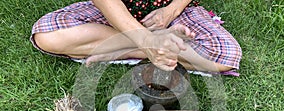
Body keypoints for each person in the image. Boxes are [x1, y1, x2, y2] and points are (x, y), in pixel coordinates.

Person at [30, 0, 242, 75]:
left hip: (171, 9)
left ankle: (117, 48)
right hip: (120, 11)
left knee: (224, 57)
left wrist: (171, 11)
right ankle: (155, 44)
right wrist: (148, 41)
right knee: (48, 36)